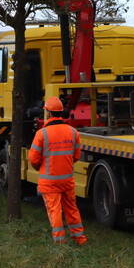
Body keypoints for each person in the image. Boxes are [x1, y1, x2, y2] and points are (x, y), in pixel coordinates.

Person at [28, 96, 86, 245]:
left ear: (47, 112)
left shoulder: (42, 134)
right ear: (61, 112)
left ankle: (60, 242)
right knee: (72, 208)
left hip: (49, 181)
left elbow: (33, 159)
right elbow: (76, 156)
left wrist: (41, 167)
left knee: (55, 210)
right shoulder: (73, 132)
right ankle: (79, 239)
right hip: (67, 180)